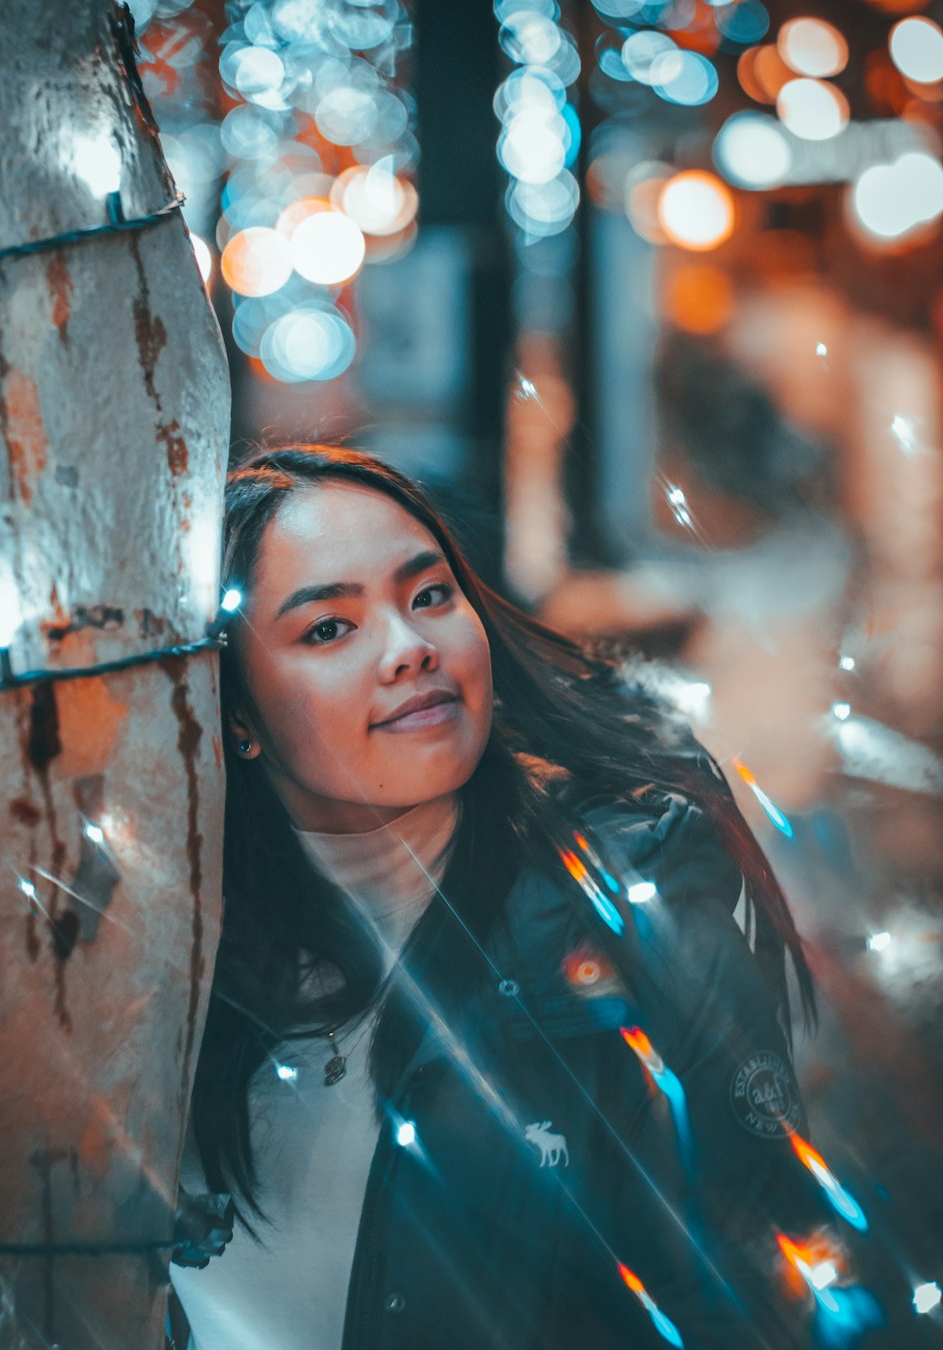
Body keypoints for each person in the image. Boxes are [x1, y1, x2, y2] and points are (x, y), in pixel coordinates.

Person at [167, 443, 846, 1350]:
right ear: (237, 714)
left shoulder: (630, 899)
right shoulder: (159, 958)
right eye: (329, 629)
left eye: (429, 595)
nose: (410, 650)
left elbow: (762, 1286)